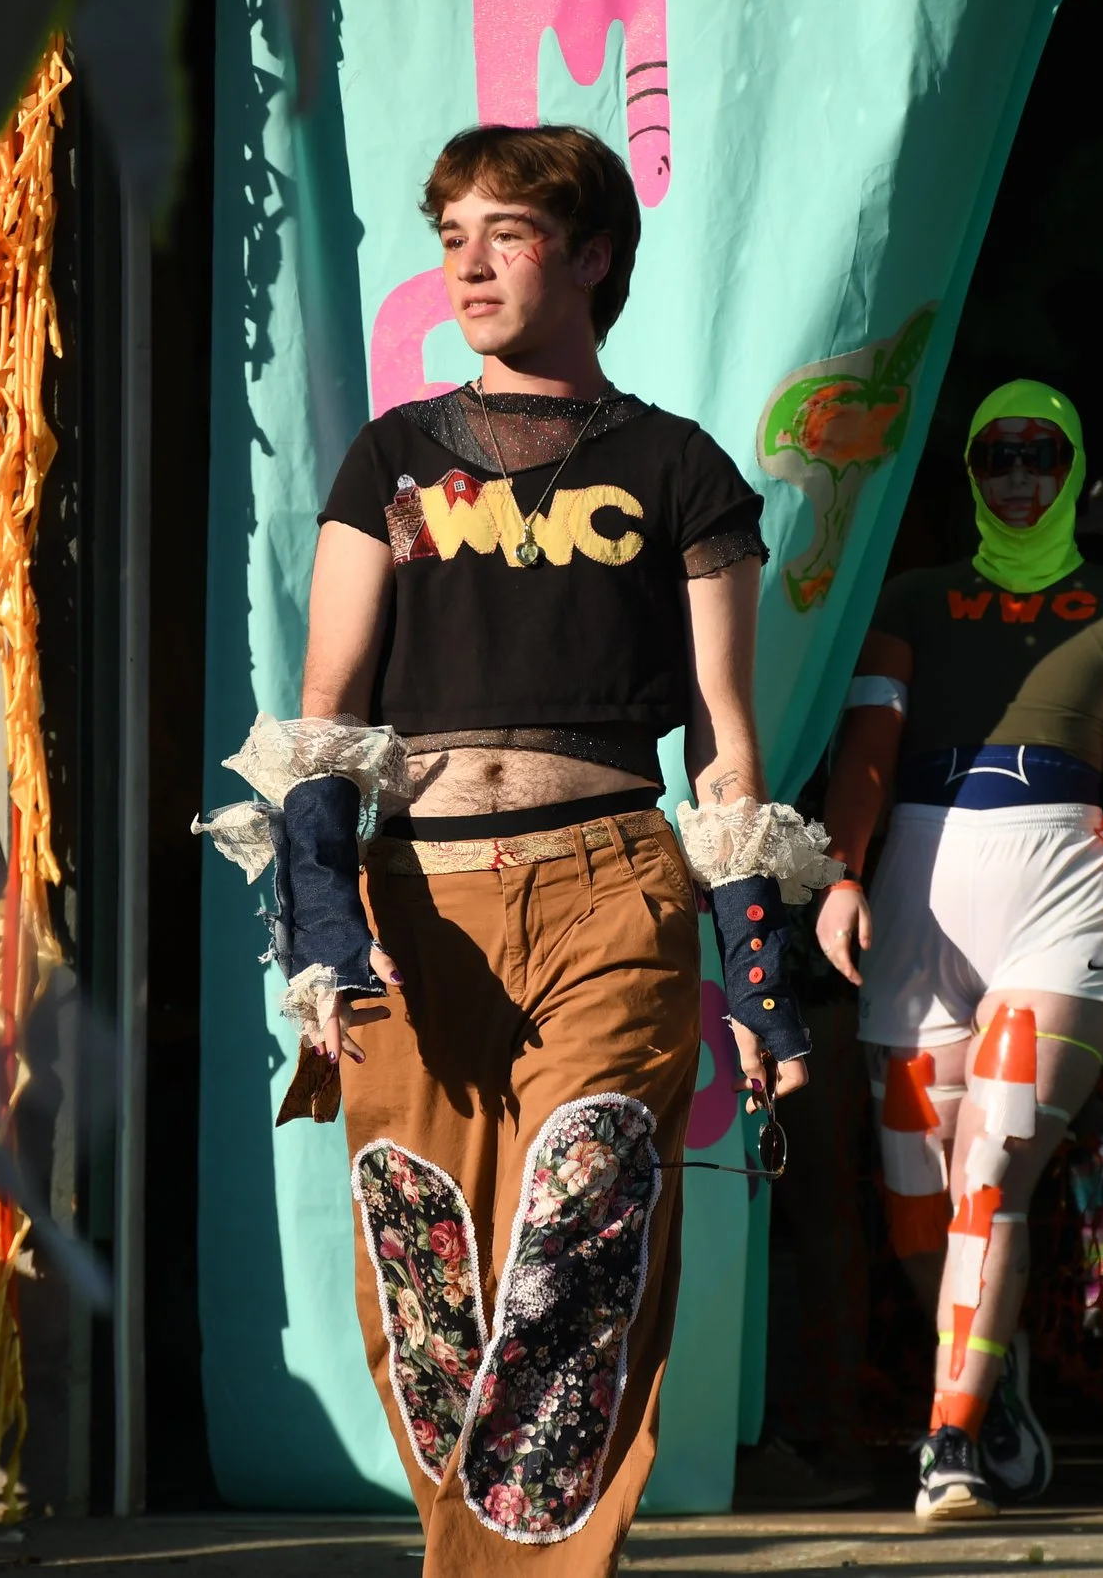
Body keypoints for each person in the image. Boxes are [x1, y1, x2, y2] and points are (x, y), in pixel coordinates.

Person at [227, 123, 831, 1576]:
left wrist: (758, 975)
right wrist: (319, 917)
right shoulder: (388, 457)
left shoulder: (678, 469)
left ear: (593, 255)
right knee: (429, 1281)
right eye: (452, 235)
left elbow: (729, 754)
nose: (470, 261)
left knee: (582, 1237)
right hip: (412, 902)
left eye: (506, 231)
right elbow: (325, 715)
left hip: (609, 888)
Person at [812, 379, 1103, 1521]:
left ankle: (947, 1443)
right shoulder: (915, 599)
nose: (1021, 472)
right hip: (914, 908)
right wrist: (839, 872)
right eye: (997, 454)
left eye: (1043, 450)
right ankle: (991, 1382)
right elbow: (868, 752)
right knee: (915, 1204)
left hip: (1064, 904)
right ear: (973, 473)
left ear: (1075, 466)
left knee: (989, 1175)